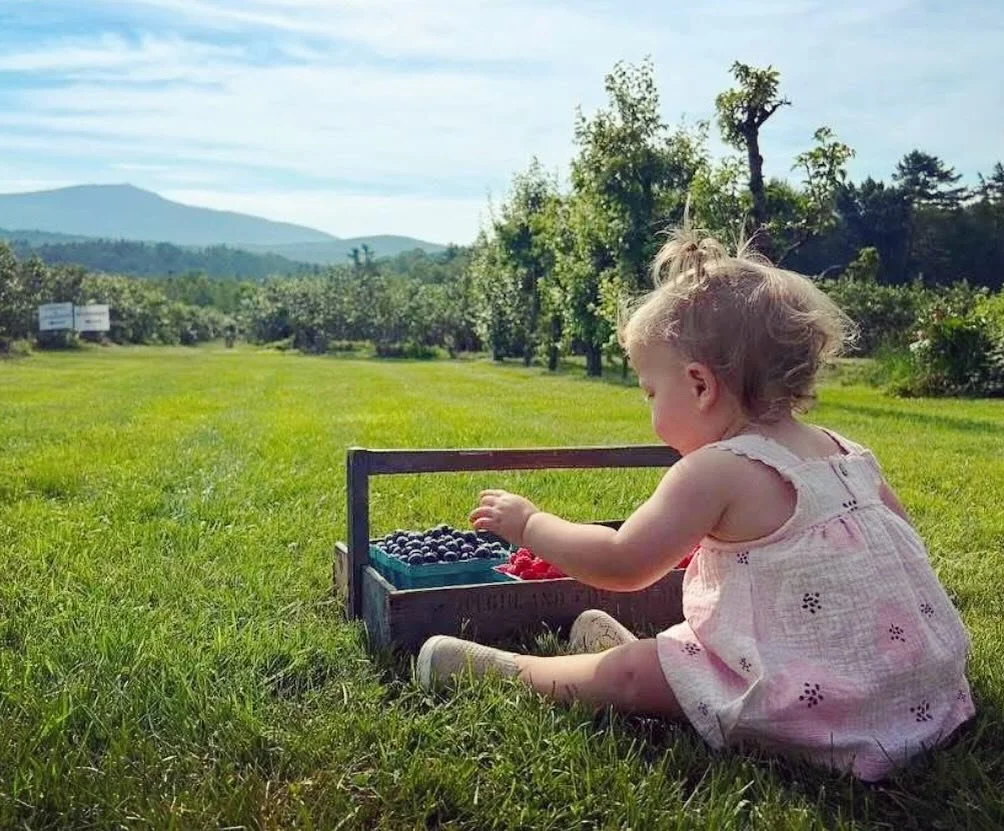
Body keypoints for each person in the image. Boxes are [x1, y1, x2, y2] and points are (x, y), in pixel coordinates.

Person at [413, 224, 974, 780]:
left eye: (652, 393)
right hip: (923, 686)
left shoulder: (716, 469)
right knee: (681, 655)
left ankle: (510, 672)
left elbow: (622, 561)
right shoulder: (848, 453)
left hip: (829, 707)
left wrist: (531, 522)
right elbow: (903, 550)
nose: (651, 410)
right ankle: (677, 668)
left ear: (700, 386)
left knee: (635, 671)